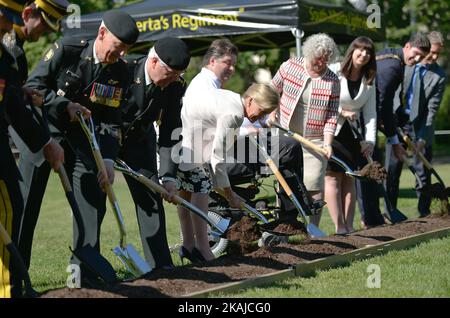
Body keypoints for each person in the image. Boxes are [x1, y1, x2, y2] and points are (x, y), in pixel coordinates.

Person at [26, 10, 139, 284]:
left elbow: (112, 119)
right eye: (117, 47)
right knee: (27, 205)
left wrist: (109, 160)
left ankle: (81, 275)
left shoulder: (121, 72)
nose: (121, 54)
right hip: (44, 135)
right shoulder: (68, 49)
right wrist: (65, 105)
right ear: (101, 34)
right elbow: (32, 87)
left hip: (84, 143)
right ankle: (18, 277)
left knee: (92, 205)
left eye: (126, 50)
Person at [0, 0, 63, 298]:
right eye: (44, 25)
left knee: (13, 205)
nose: (5, 25)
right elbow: (9, 103)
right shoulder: (9, 44)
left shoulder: (10, 48)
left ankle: (11, 287)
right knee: (11, 206)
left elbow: (8, 93)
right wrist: (45, 142)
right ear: (27, 14)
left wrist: (18, 91)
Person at [178, 83, 280, 262]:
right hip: (184, 140)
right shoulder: (234, 114)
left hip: (183, 138)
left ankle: (187, 246)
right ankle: (202, 249)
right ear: (250, 100)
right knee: (201, 188)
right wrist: (230, 195)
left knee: (186, 195)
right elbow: (218, 158)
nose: (260, 117)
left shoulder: (232, 98)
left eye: (265, 114)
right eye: (262, 110)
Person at [119, 37, 190, 270]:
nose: (172, 80)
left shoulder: (175, 85)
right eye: (170, 73)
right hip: (105, 138)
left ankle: (161, 264)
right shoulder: (123, 70)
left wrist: (168, 176)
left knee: (151, 198)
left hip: (139, 142)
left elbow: (170, 131)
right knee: (96, 199)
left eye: (177, 75)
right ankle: (87, 268)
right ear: (153, 61)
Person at [356, 32, 430, 227]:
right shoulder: (392, 67)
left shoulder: (390, 56)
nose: (415, 60)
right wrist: (393, 138)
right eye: (414, 54)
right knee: (367, 168)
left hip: (370, 115)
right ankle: (369, 218)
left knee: (372, 166)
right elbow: (383, 104)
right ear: (407, 46)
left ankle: (373, 216)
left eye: (420, 59)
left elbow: (386, 105)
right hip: (361, 118)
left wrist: (394, 129)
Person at [270, 33, 340, 230]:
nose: (322, 63)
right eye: (319, 58)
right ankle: (283, 226)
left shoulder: (332, 80)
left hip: (315, 140)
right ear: (309, 53)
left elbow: (332, 115)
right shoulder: (290, 66)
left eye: (326, 60)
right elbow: (272, 90)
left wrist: (327, 143)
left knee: (315, 183)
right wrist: (273, 112)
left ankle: (313, 228)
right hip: (286, 136)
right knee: (285, 182)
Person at [385, 31, 447, 217]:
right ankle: (390, 211)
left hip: (420, 125)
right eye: (432, 52)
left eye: (438, 54)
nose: (434, 57)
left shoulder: (439, 76)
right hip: (397, 122)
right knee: (393, 169)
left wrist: (421, 137)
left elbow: (432, 109)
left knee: (422, 172)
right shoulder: (406, 64)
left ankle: (425, 212)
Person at [325, 36, 377, 234]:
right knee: (332, 178)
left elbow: (371, 113)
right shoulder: (335, 70)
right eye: (360, 50)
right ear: (352, 50)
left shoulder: (370, 79)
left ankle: (349, 227)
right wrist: (342, 112)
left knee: (350, 179)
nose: (363, 54)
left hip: (354, 136)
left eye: (368, 52)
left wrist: (370, 141)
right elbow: (323, 99)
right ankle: (339, 228)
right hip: (332, 132)